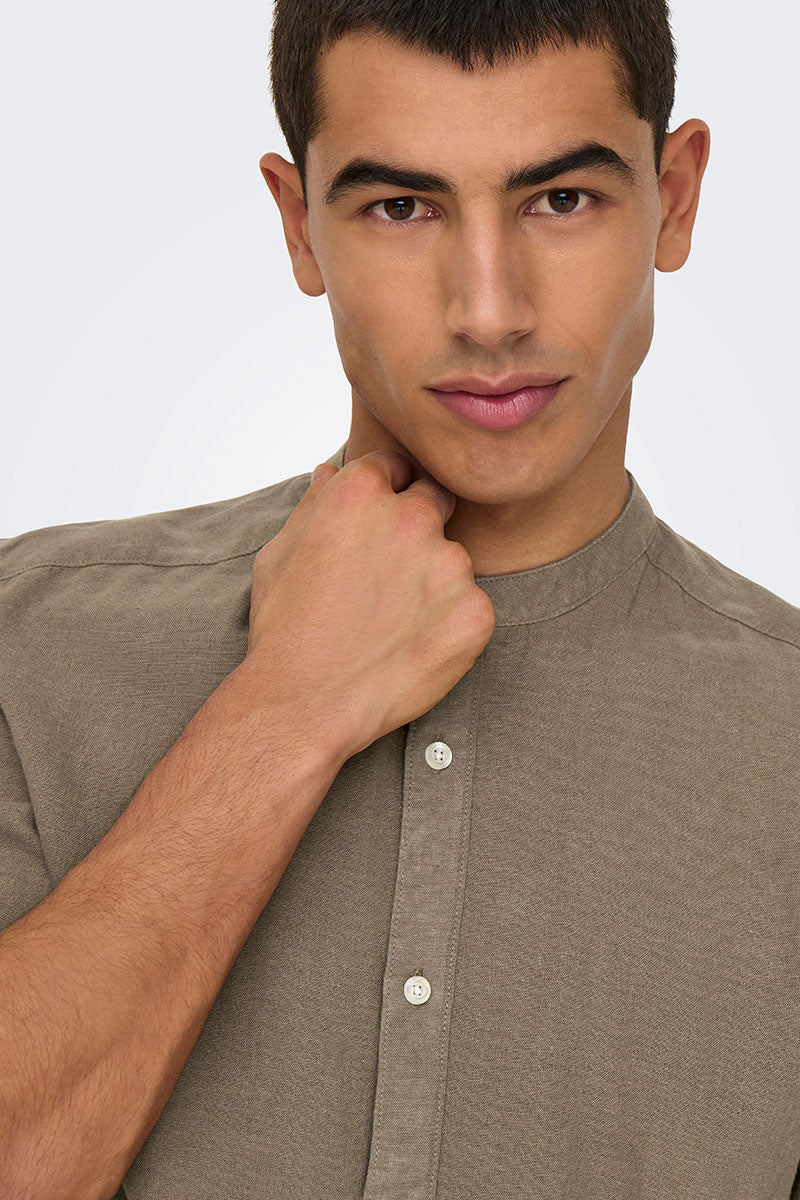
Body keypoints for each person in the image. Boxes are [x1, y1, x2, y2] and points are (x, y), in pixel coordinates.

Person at [0, 0, 797, 1196]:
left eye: (559, 199)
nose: (488, 311)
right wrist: (284, 709)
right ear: (298, 225)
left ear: (672, 199)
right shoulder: (27, 646)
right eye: (400, 207)